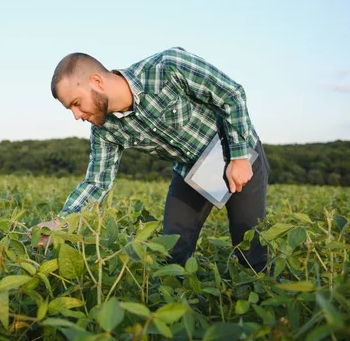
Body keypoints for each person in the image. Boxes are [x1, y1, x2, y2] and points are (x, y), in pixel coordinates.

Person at [37, 46, 271, 272]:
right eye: (71, 109)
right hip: (192, 169)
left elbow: (231, 94)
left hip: (236, 151)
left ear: (97, 82)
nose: (76, 116)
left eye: (76, 103)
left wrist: (239, 157)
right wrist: (60, 224)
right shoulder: (104, 130)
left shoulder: (168, 67)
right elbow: (97, 183)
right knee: (172, 250)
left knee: (250, 247)